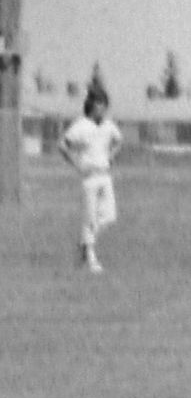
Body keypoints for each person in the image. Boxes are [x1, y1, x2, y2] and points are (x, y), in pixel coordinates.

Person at [58, 77, 121, 275]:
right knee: (90, 217)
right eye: (98, 103)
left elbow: (118, 141)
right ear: (91, 105)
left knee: (109, 216)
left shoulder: (109, 125)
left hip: (105, 175)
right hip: (90, 177)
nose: (101, 108)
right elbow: (63, 145)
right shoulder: (81, 125)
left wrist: (111, 156)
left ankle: (84, 244)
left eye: (104, 104)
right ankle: (91, 259)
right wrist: (76, 163)